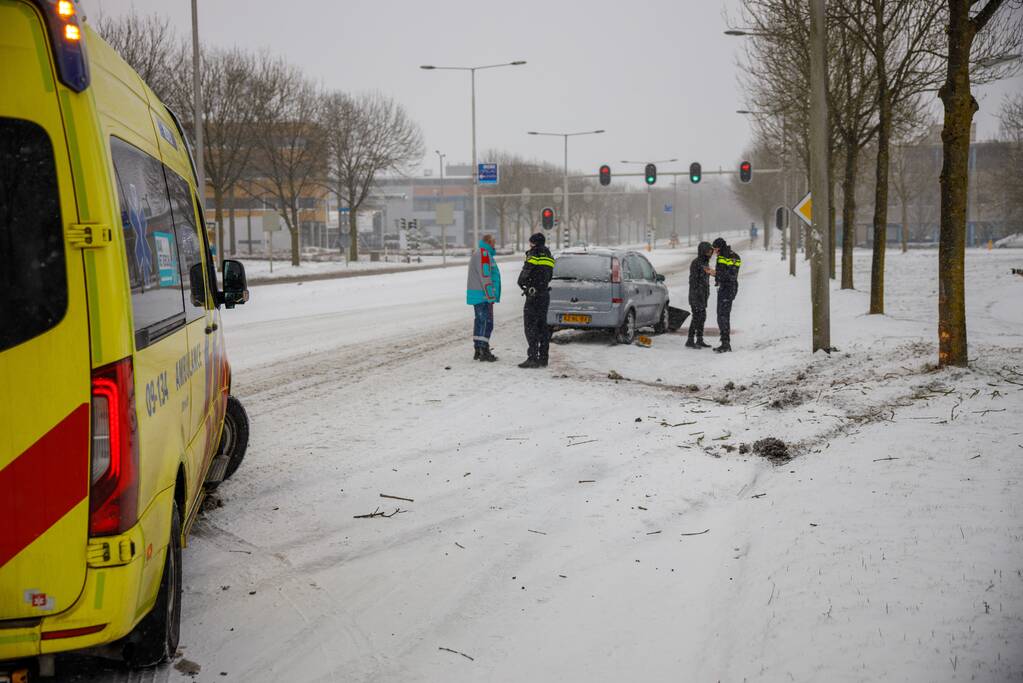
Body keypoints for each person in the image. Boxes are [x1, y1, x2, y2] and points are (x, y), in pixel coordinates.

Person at [516, 232, 555, 368]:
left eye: (530, 242)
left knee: (530, 326)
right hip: (544, 294)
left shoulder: (534, 254)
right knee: (542, 327)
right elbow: (549, 276)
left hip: (533, 295)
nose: (529, 244)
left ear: (534, 243)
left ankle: (532, 357)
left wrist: (522, 283)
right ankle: (543, 358)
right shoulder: (549, 255)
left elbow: (524, 275)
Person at [466, 233, 501, 361]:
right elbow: (485, 276)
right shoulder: (484, 254)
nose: (495, 244)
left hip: (478, 294)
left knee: (480, 321)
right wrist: (490, 295)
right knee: (487, 322)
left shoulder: (480, 253)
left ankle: (478, 349)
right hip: (483, 295)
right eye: (493, 242)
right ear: (489, 242)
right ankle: (483, 351)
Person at [712, 236, 741, 353]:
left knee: (723, 315)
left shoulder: (732, 256)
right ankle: (724, 342)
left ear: (719, 248)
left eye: (714, 249)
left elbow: (731, 276)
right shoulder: (722, 256)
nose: (713, 252)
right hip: (724, 288)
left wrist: (715, 274)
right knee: (721, 315)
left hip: (728, 289)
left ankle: (726, 344)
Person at [686, 241, 715, 349]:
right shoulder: (697, 263)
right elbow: (694, 281)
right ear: (702, 251)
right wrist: (698, 293)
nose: (710, 253)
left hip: (703, 295)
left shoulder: (705, 262)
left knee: (702, 317)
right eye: (708, 251)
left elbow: (708, 275)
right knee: (696, 317)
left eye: (710, 251)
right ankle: (690, 340)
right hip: (696, 295)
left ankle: (699, 339)